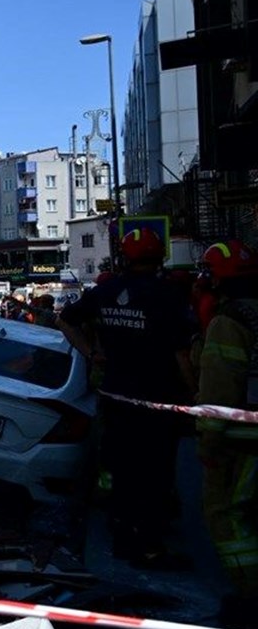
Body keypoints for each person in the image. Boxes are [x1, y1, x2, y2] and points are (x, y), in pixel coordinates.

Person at [58, 228, 197, 570]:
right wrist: (196, 396)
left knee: (122, 468)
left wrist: (93, 353)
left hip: (116, 397)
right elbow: (181, 354)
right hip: (157, 401)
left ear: (123, 256)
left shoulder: (105, 291)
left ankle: (123, 538)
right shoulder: (169, 295)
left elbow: (65, 321)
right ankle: (148, 547)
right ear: (160, 255)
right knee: (155, 473)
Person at [195, 240, 258, 629]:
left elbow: (219, 395)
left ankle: (251, 596)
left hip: (244, 442)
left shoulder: (227, 323)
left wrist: (208, 442)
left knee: (229, 515)